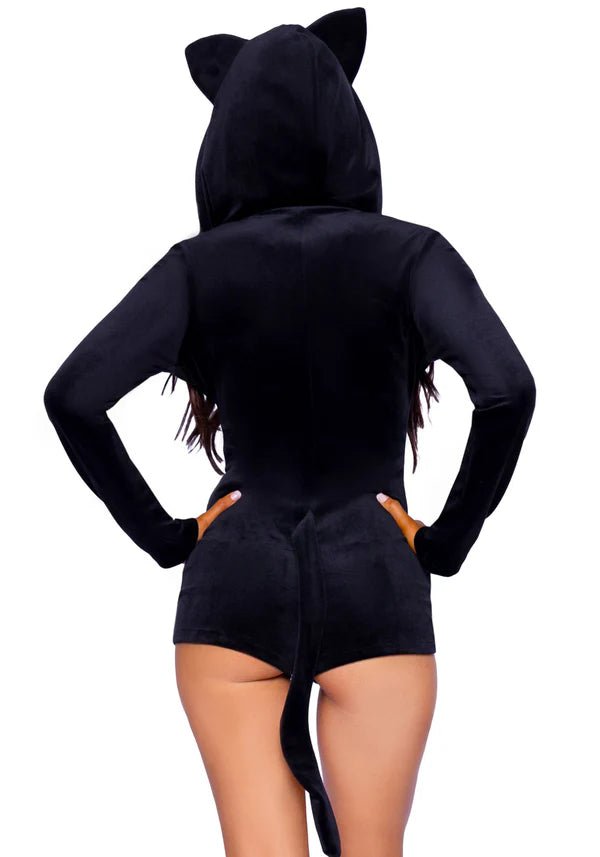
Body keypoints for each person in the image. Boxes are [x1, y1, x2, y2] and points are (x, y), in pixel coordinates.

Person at [43, 7, 536, 857]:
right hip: (376, 583)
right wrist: (444, 543)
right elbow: (508, 389)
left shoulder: (195, 267)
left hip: (233, 583)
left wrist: (170, 538)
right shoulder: (413, 254)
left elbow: (72, 397)